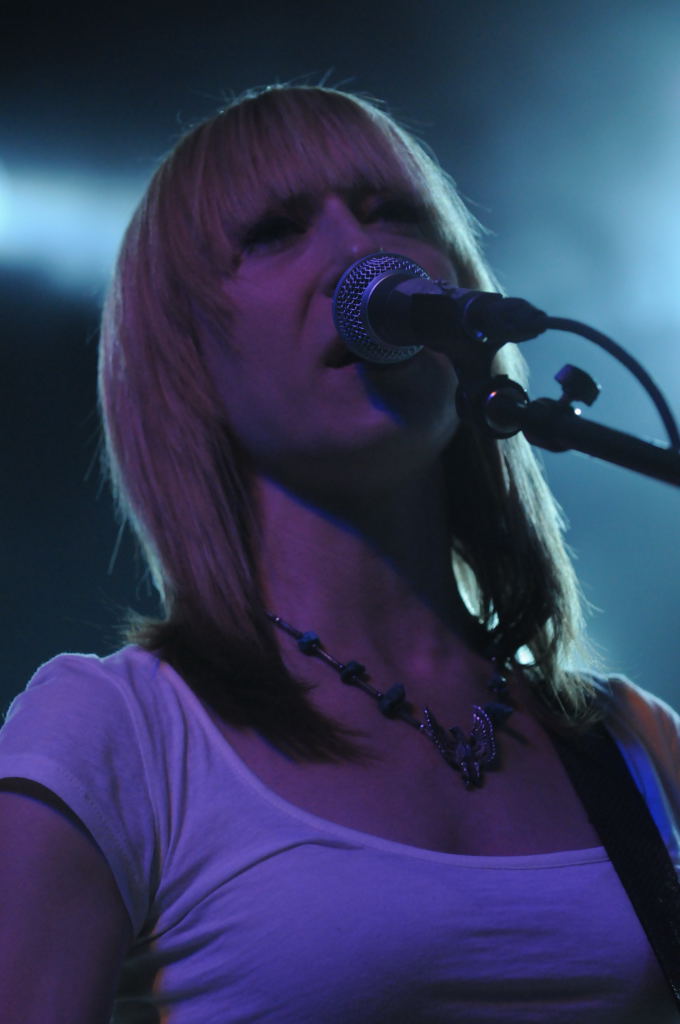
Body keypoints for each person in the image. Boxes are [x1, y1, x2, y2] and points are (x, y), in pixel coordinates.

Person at [0, 84, 678, 1023]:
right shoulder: (115, 734)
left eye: (395, 213)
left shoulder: (635, 744)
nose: (361, 255)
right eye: (275, 231)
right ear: (188, 359)